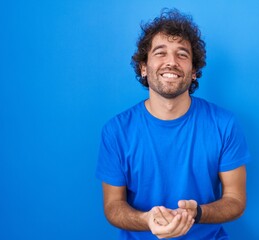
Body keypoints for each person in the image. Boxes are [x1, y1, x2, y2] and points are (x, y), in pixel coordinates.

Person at [96, 8, 250, 239]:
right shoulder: (116, 131)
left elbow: (236, 200)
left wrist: (197, 213)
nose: (171, 62)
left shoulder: (224, 124)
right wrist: (147, 220)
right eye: (160, 53)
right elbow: (112, 206)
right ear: (144, 68)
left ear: (194, 71)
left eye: (182, 54)